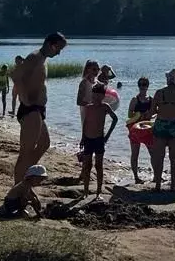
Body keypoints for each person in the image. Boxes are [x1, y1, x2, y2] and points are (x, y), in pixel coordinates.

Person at [11, 32, 67, 184]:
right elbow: (16, 75)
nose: (59, 53)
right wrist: (25, 99)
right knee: (25, 153)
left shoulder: (43, 58)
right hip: (31, 110)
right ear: (50, 44)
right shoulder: (34, 57)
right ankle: (18, 190)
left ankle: (25, 178)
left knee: (44, 143)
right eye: (58, 48)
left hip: (38, 110)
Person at [147, 69, 175, 191]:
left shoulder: (159, 93)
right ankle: (172, 186)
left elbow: (152, 111)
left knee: (158, 156)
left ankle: (158, 184)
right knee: (174, 157)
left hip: (160, 124)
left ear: (168, 79)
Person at [79, 82, 118, 197]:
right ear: (92, 95)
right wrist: (82, 138)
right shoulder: (88, 107)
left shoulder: (105, 107)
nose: (96, 98)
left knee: (99, 166)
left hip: (99, 140)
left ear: (103, 96)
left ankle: (98, 192)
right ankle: (85, 191)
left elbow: (115, 119)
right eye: (94, 95)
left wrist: (107, 136)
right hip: (88, 140)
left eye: (98, 96)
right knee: (87, 166)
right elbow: (85, 123)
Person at [128, 77, 153, 184]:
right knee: (135, 154)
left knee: (154, 153)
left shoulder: (151, 99)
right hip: (135, 130)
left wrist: (149, 114)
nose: (142, 87)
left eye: (145, 85)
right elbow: (129, 115)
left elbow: (155, 112)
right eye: (141, 85)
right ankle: (136, 177)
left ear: (148, 86)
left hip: (147, 130)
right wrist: (139, 115)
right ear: (138, 86)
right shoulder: (135, 99)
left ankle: (156, 176)